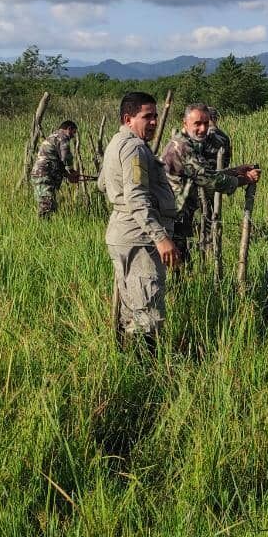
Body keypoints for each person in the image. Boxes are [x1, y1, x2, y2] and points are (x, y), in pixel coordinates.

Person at [97, 92, 179, 349]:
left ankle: (128, 361)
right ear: (128, 118)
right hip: (139, 238)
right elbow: (136, 197)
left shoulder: (116, 142)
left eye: (155, 116)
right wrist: (161, 238)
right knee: (148, 309)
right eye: (147, 117)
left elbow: (102, 184)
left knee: (131, 305)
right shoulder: (134, 148)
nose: (154, 122)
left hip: (124, 234)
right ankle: (148, 371)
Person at [161, 103, 261, 263]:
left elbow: (205, 173)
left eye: (206, 123)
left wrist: (236, 170)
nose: (202, 129)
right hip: (171, 216)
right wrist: (243, 179)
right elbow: (208, 179)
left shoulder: (190, 144)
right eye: (197, 124)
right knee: (175, 265)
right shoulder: (182, 148)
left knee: (182, 261)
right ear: (185, 123)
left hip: (179, 214)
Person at [30, 120, 80, 218]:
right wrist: (71, 171)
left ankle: (45, 227)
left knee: (49, 204)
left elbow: (58, 162)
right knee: (46, 205)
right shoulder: (62, 137)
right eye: (73, 132)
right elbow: (66, 157)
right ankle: (42, 229)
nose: (73, 136)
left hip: (40, 174)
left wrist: (67, 175)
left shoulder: (53, 137)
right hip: (44, 175)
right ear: (69, 129)